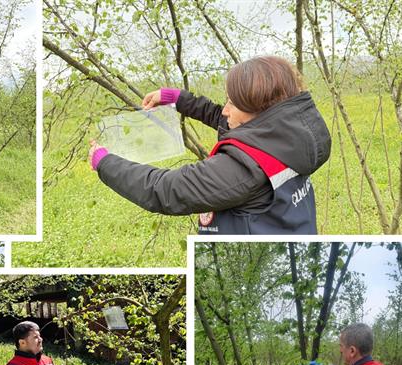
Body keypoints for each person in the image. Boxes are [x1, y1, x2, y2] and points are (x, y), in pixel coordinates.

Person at [88, 55, 331, 234]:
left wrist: (105, 163)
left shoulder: (243, 169)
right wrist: (178, 99)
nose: (225, 110)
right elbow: (226, 120)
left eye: (232, 103)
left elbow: (165, 190)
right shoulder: (290, 136)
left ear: (258, 110)